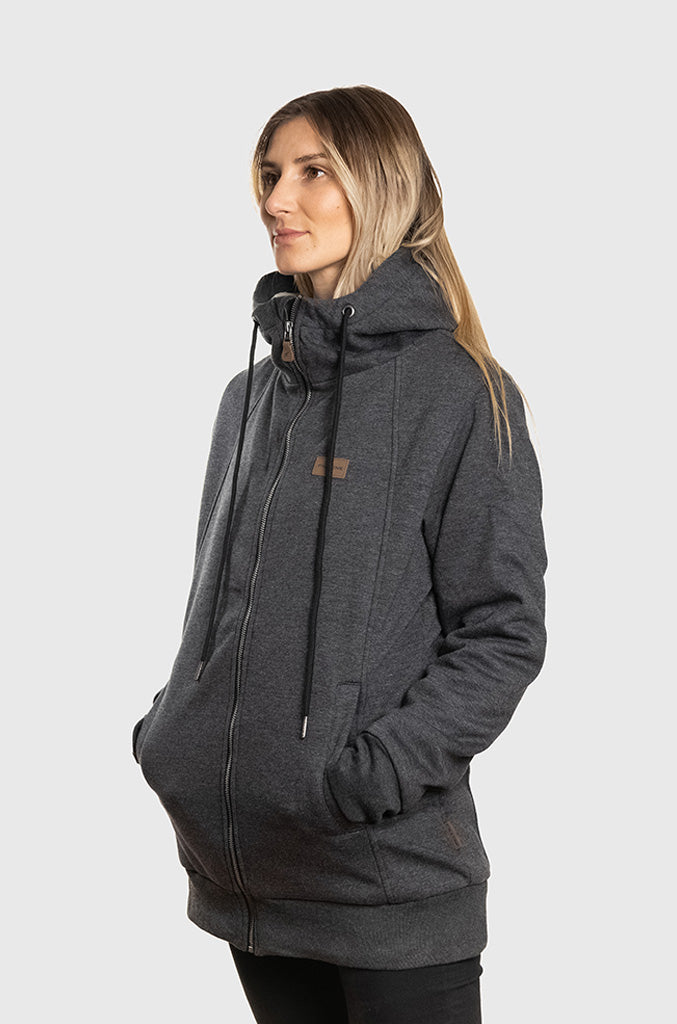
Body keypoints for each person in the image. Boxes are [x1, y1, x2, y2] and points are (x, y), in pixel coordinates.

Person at [131, 84, 547, 1023]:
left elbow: (502, 634)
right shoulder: (246, 400)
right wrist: (174, 737)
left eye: (313, 171)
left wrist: (364, 777)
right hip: (248, 883)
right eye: (270, 173)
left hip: (384, 879)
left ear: (383, 185)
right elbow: (215, 609)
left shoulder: (461, 395)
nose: (277, 199)